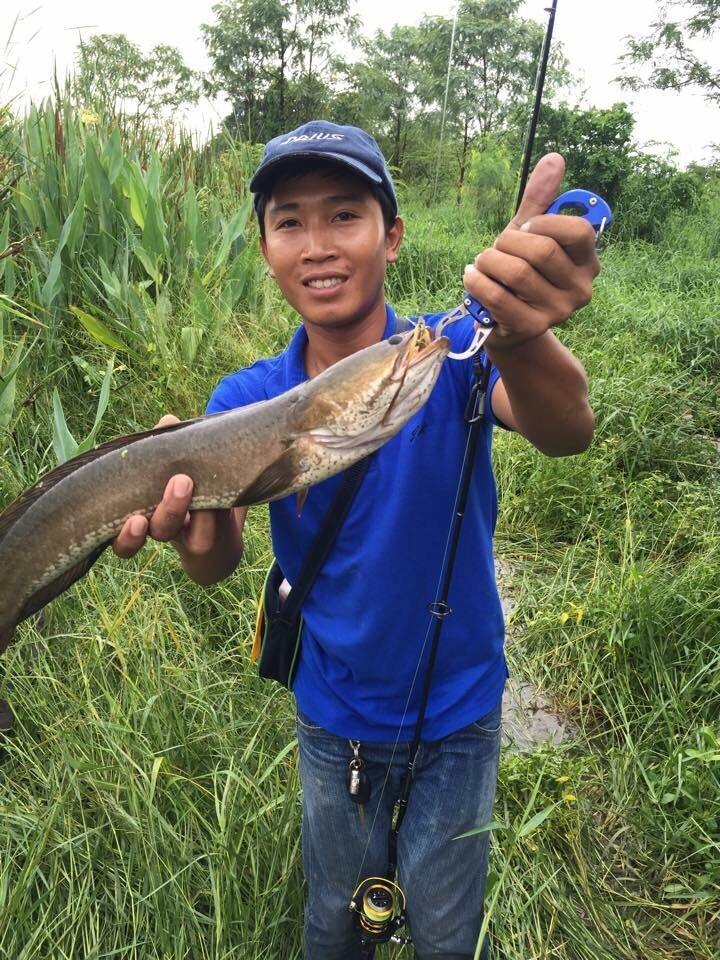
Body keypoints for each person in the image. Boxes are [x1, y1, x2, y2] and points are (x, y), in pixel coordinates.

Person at [113, 121, 599, 960]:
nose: (317, 244)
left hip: (461, 712)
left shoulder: (448, 353)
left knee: (448, 933)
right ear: (265, 247)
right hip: (333, 715)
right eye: (289, 221)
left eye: (345, 215)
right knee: (334, 926)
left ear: (392, 235)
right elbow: (215, 562)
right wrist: (188, 526)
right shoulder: (245, 398)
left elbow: (567, 430)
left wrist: (522, 336)